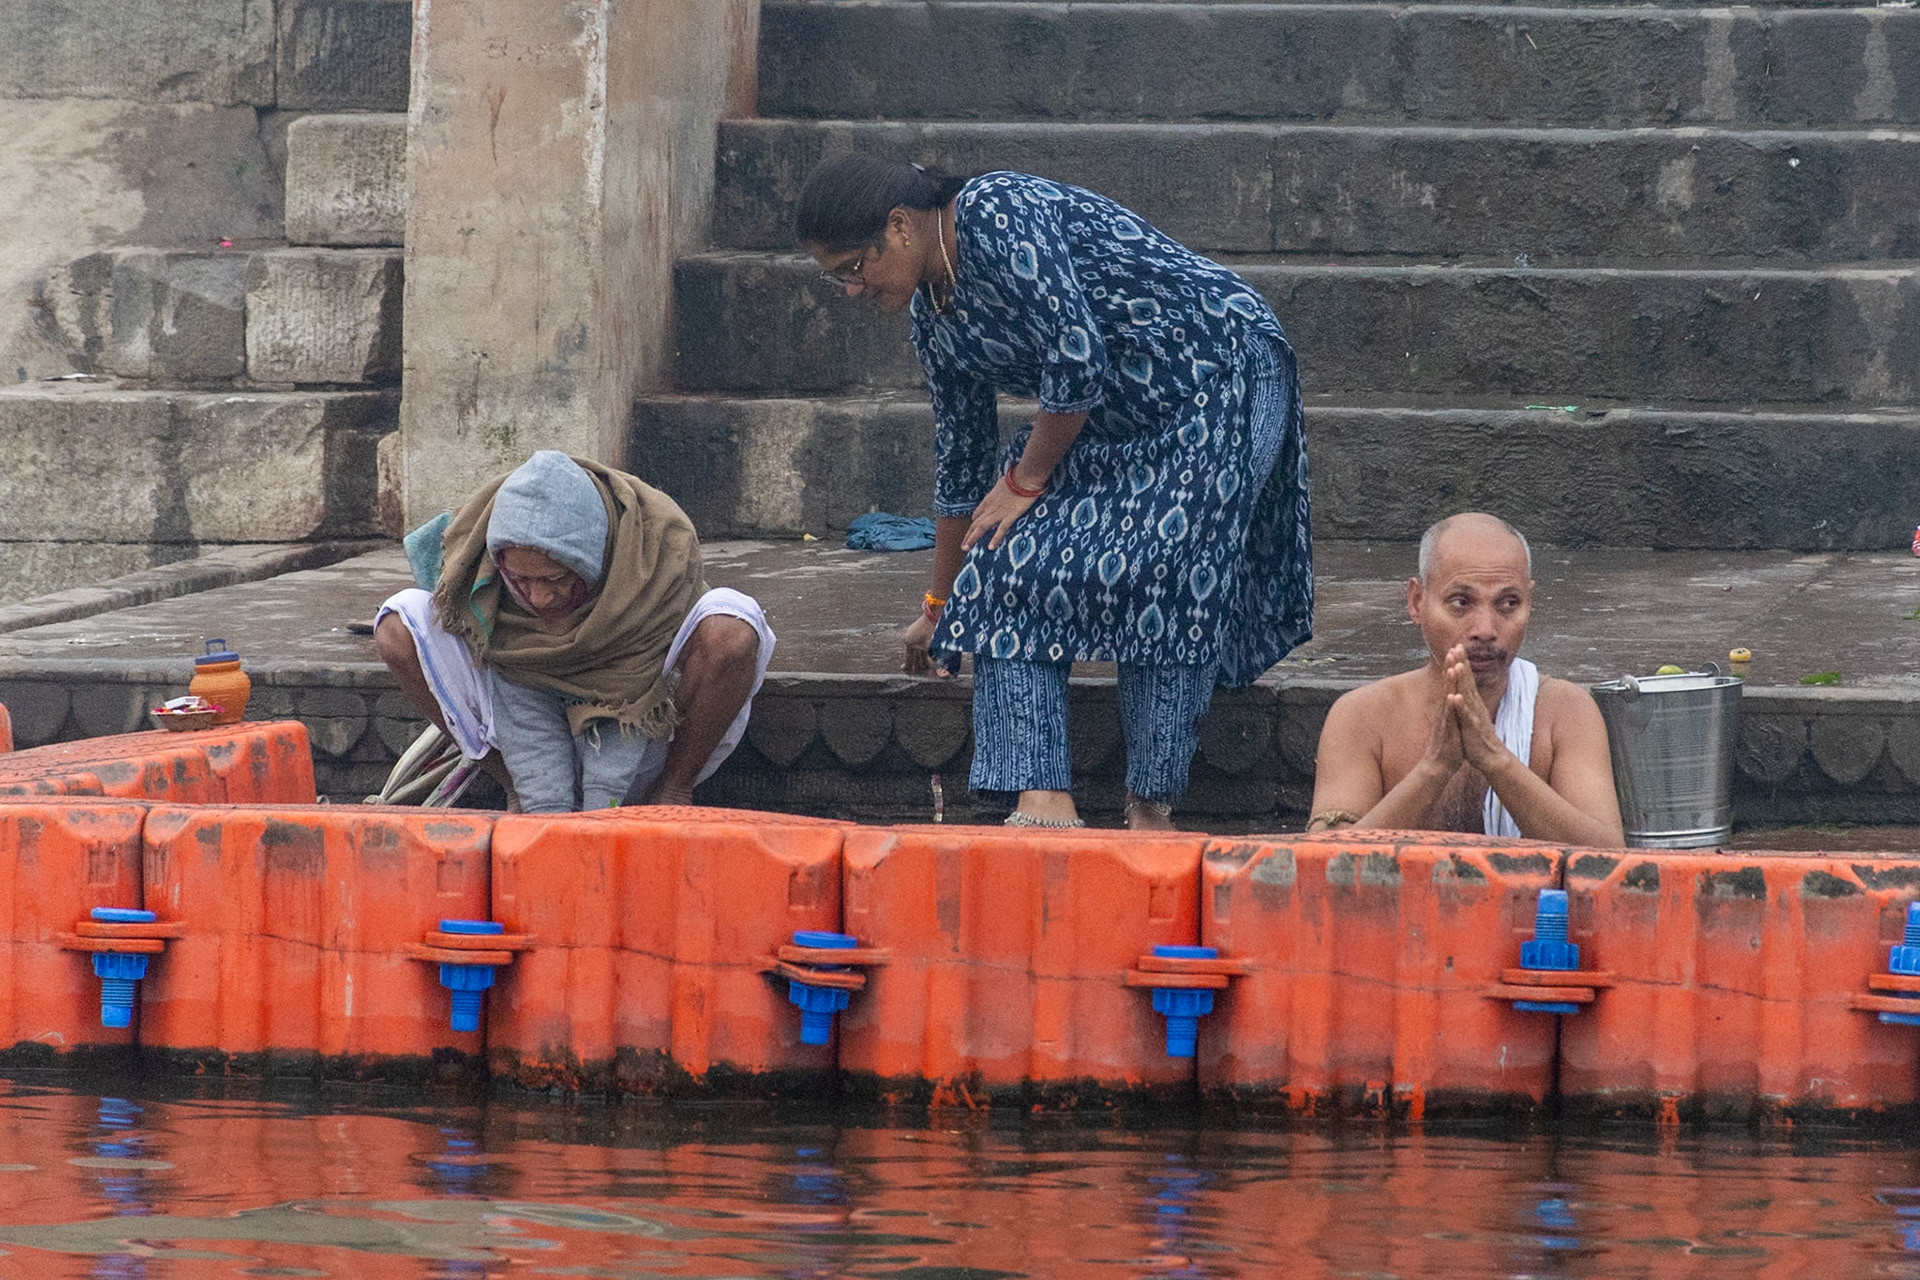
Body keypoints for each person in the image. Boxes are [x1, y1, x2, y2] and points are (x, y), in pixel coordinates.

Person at [796, 157, 1312, 830]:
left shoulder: (995, 212)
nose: (851, 292)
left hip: (1217, 378)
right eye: (836, 279)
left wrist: (1025, 479)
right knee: (1004, 554)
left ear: (898, 227)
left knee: (1168, 567)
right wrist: (939, 603)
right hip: (1103, 420)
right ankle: (1041, 800)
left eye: (851, 270)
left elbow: (1075, 357)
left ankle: (1150, 808)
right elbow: (962, 461)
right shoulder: (934, 317)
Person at [374, 450, 775, 812]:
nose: (540, 598)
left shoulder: (650, 558)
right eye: (521, 581)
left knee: (733, 623)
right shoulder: (483, 571)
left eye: (556, 579)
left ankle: (671, 791)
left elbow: (718, 641)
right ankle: (518, 792)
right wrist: (525, 786)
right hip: (519, 725)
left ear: (590, 558)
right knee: (399, 620)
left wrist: (666, 784)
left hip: (645, 721)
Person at [1307, 513, 1624, 846]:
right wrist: (1435, 767)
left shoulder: (1566, 712)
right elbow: (1323, 864)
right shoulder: (1362, 717)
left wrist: (1494, 759)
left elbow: (1609, 858)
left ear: (1529, 603)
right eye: (1461, 603)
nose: (1485, 629)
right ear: (1417, 602)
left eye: (1508, 604)